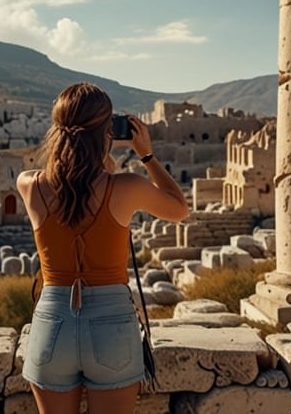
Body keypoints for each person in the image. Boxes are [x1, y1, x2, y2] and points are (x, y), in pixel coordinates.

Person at [16, 83, 189, 414]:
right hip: (112, 322)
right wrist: (146, 155)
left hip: (52, 320)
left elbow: (70, 178)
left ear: (57, 128)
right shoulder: (126, 187)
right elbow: (179, 208)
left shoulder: (29, 185)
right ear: (107, 131)